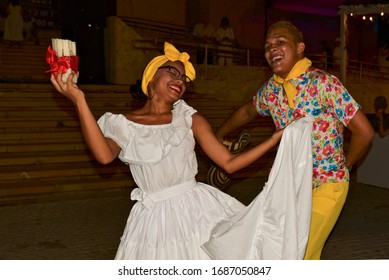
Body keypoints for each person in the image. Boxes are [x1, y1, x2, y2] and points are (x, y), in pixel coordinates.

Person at [50, 41, 287, 260]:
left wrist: (274, 139)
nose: (180, 81)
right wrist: (79, 99)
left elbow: (229, 163)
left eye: (183, 78)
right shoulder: (123, 124)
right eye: (172, 72)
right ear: (151, 78)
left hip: (197, 212)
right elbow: (103, 156)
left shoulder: (189, 118)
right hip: (152, 222)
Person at [213, 20, 374, 260]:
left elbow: (365, 132)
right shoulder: (272, 89)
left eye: (280, 42)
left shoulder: (324, 83)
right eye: (268, 46)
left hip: (327, 184)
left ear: (300, 48)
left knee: (301, 253)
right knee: (282, 250)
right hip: (290, 185)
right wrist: (219, 134)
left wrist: (344, 166)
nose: (272, 49)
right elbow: (248, 111)